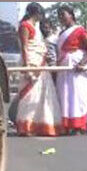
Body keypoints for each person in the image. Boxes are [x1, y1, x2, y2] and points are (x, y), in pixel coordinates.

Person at [15, 3, 62, 137]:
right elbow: (24, 47)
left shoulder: (35, 27)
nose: (41, 17)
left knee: (42, 95)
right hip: (31, 63)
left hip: (40, 63)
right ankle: (26, 126)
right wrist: (28, 68)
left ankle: (41, 125)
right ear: (35, 13)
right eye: (40, 14)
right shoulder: (25, 26)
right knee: (29, 97)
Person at [56, 5, 87, 136]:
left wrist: (82, 62)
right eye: (59, 15)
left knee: (77, 95)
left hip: (76, 68)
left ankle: (78, 125)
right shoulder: (61, 34)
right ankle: (66, 124)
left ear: (71, 15)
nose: (61, 18)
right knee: (65, 95)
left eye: (63, 14)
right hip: (63, 67)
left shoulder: (80, 30)